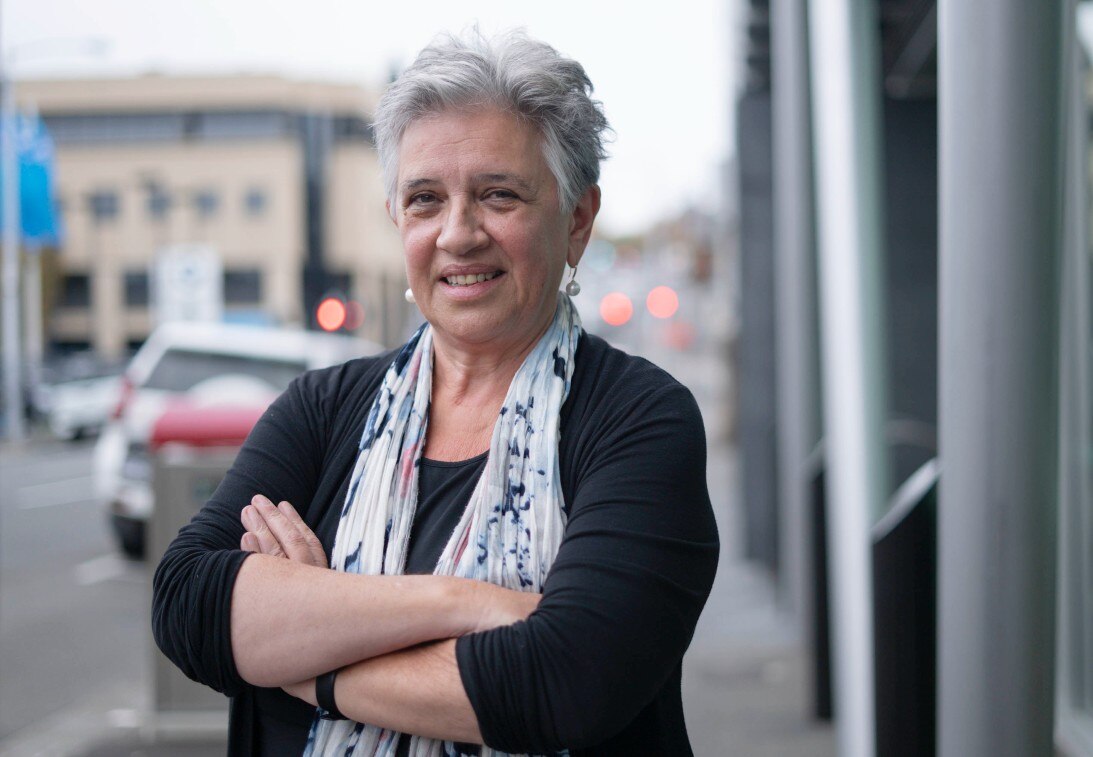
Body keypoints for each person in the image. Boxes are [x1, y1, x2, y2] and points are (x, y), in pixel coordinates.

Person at [152, 29, 719, 757]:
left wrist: (309, 659)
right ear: (397, 219)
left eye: (498, 194)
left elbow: (564, 680)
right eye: (424, 198)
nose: (458, 233)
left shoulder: (636, 419)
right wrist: (466, 602)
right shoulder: (323, 410)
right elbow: (188, 606)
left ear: (576, 218)